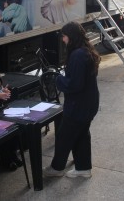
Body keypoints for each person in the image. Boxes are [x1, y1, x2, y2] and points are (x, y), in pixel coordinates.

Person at [43, 21, 100, 178]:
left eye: (64, 36)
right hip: (89, 104)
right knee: (81, 134)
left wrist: (58, 79)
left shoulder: (77, 55)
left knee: (64, 137)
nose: (63, 40)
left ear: (72, 37)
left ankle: (57, 168)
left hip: (78, 106)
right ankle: (83, 168)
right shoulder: (86, 51)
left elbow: (74, 84)